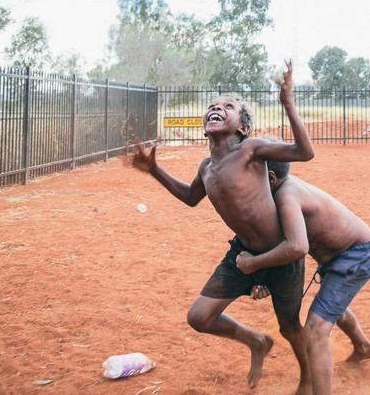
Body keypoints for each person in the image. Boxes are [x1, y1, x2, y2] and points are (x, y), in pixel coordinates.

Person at [127, 60, 314, 392]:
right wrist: (154, 170)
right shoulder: (206, 167)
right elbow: (189, 197)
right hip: (241, 253)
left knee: (289, 326)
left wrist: (287, 103)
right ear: (205, 123)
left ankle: (307, 373)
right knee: (199, 317)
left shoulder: (250, 150)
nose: (216, 108)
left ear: (242, 127)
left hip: (281, 254)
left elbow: (304, 151)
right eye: (213, 106)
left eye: (228, 106)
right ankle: (255, 341)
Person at [237, 157, 370, 394]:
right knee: (335, 306)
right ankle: (363, 346)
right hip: (340, 256)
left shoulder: (286, 197)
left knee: (315, 329)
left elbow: (296, 247)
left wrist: (252, 264)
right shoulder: (280, 190)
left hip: (356, 255)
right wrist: (263, 278)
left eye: (252, 176)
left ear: (270, 178)